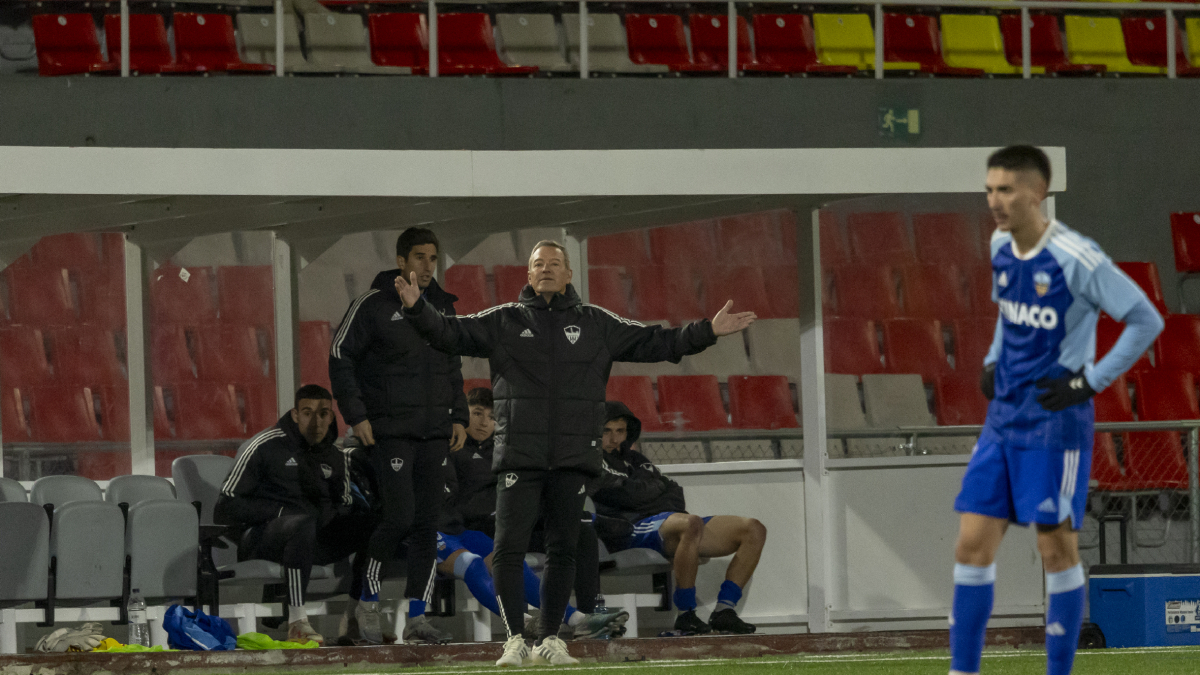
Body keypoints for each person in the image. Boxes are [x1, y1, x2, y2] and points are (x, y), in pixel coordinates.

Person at [394, 240, 755, 666]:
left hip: (571, 459)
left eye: (554, 264)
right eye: (538, 264)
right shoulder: (503, 321)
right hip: (518, 459)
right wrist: (418, 309)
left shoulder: (597, 323)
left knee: (562, 551)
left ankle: (550, 639)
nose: (546, 270)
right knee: (507, 551)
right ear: (527, 275)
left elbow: (656, 342)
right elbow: (449, 332)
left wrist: (707, 332)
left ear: (568, 275)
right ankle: (514, 639)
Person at [949, 146, 1163, 675]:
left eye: (1006, 190)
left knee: (1055, 549)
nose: (995, 201)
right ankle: (962, 671)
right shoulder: (1001, 244)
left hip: (1054, 422)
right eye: (989, 190)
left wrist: (1089, 381)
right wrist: (994, 357)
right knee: (971, 546)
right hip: (1004, 416)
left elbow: (1145, 320)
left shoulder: (1076, 255)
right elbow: (1009, 312)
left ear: (1037, 193)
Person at [328, 227, 467, 645]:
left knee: (427, 525)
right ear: (402, 260)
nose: (428, 266)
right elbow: (340, 355)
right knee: (397, 519)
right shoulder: (372, 305)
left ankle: (417, 617)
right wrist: (357, 415)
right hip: (389, 432)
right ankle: (367, 605)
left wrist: (458, 415)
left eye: (433, 259)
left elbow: (452, 365)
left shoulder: (442, 307)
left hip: (434, 433)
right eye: (420, 258)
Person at [442, 388, 629, 640]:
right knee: (500, 552)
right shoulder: (452, 450)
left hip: (516, 521)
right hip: (483, 525)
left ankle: (588, 615)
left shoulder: (505, 447)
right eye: (477, 414)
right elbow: (453, 502)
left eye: (491, 416)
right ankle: (551, 620)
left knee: (580, 531)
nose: (485, 422)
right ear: (464, 415)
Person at [214, 384, 374, 646]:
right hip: (262, 539)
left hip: (312, 539)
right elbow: (225, 506)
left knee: (375, 524)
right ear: (296, 414)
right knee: (302, 523)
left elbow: (344, 504)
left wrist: (339, 518)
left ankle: (354, 617)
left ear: (332, 417)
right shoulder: (264, 445)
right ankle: (297, 621)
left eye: (323, 414)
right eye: (308, 413)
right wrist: (279, 512)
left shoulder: (335, 455)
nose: (316, 421)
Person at [594, 402, 766, 636]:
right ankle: (686, 614)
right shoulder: (590, 460)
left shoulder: (635, 459)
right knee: (691, 522)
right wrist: (653, 492)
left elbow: (673, 491)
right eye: (607, 431)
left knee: (753, 529)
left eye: (620, 431)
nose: (614, 439)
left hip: (664, 522)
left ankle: (724, 611)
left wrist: (647, 494)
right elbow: (619, 494)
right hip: (629, 528)